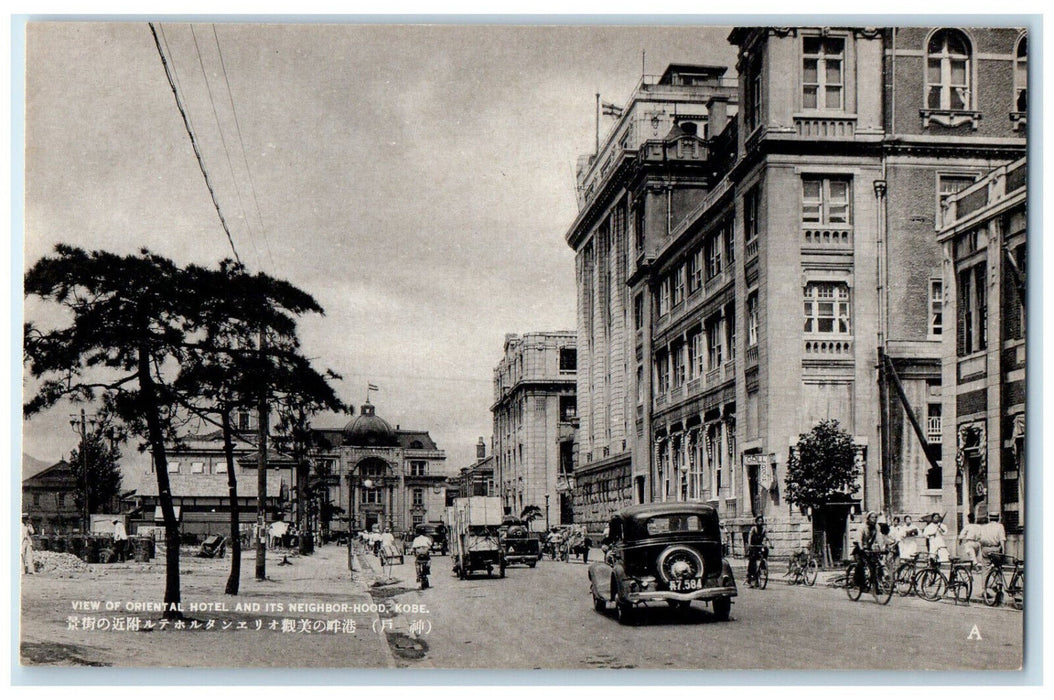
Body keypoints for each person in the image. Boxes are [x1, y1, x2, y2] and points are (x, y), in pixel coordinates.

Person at [746, 516, 768, 587]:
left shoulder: (763, 529)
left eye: (761, 521)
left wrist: (768, 544)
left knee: (766, 550)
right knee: (752, 561)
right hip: (753, 546)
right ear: (756, 522)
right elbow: (750, 536)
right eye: (759, 521)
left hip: (760, 546)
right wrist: (749, 544)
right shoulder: (753, 529)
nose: (760, 522)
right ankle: (750, 577)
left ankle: (763, 565)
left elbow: (766, 538)